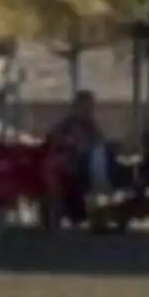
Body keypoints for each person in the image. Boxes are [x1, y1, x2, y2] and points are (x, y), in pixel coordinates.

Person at [43, 89, 113, 225]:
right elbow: (54, 139)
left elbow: (98, 144)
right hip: (70, 164)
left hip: (88, 165)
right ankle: (58, 210)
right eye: (84, 105)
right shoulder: (67, 124)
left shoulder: (92, 127)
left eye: (90, 106)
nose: (88, 110)